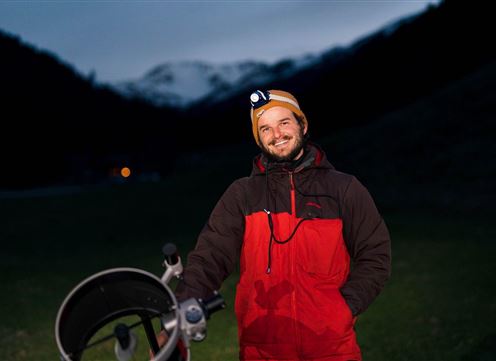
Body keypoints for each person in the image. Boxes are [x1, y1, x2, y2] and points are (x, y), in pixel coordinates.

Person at [173, 89, 391, 361]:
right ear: (258, 138)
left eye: (284, 123)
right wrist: (181, 307)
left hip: (332, 347)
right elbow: (210, 256)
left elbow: (376, 255)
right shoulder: (242, 194)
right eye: (265, 128)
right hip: (261, 348)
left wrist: (342, 309)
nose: (276, 135)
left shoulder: (344, 189)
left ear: (303, 124)